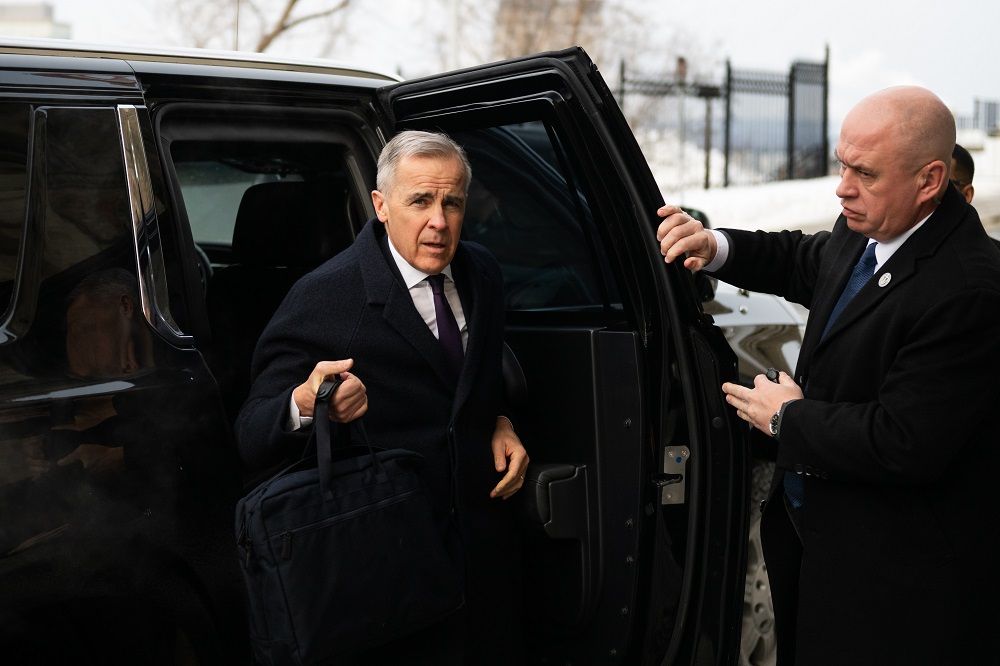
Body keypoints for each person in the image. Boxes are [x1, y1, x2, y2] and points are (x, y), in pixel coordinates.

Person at [656, 86, 1000, 665]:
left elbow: (905, 442)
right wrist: (714, 246)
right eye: (842, 164)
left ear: (930, 179)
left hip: (901, 594)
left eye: (864, 172)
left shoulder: (970, 289)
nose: (842, 187)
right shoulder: (870, 227)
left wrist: (789, 419)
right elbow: (803, 260)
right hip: (825, 554)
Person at [236, 130, 529, 664]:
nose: (438, 220)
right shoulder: (326, 295)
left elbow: (468, 379)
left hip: (483, 558)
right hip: (388, 568)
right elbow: (252, 430)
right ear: (381, 206)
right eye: (420, 201)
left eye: (452, 202)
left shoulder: (481, 271)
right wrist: (307, 402)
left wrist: (497, 418)